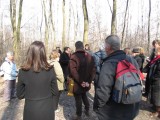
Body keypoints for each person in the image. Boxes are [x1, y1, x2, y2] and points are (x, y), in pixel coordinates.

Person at [94, 35, 140, 120]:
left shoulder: (109, 63)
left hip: (113, 112)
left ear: (108, 47)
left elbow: (103, 90)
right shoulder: (131, 60)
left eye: (105, 45)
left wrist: (98, 107)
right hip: (132, 106)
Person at [16, 41, 58, 120]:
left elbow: (20, 95)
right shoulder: (50, 70)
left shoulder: (22, 71)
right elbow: (55, 91)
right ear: (43, 53)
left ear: (30, 53)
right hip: (47, 110)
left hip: (31, 110)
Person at [69, 41, 95, 120]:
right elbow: (93, 70)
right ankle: (87, 110)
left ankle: (78, 115)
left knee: (78, 99)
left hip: (77, 83)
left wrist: (81, 81)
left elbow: (73, 71)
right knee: (84, 95)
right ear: (83, 46)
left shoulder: (73, 56)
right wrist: (88, 82)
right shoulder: (89, 56)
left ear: (76, 47)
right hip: (85, 83)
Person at [148, 46, 160, 118]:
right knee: (155, 95)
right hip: (155, 79)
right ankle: (156, 109)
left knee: (157, 96)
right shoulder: (156, 59)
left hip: (158, 81)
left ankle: (158, 112)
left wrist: (154, 77)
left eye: (156, 51)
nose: (155, 53)